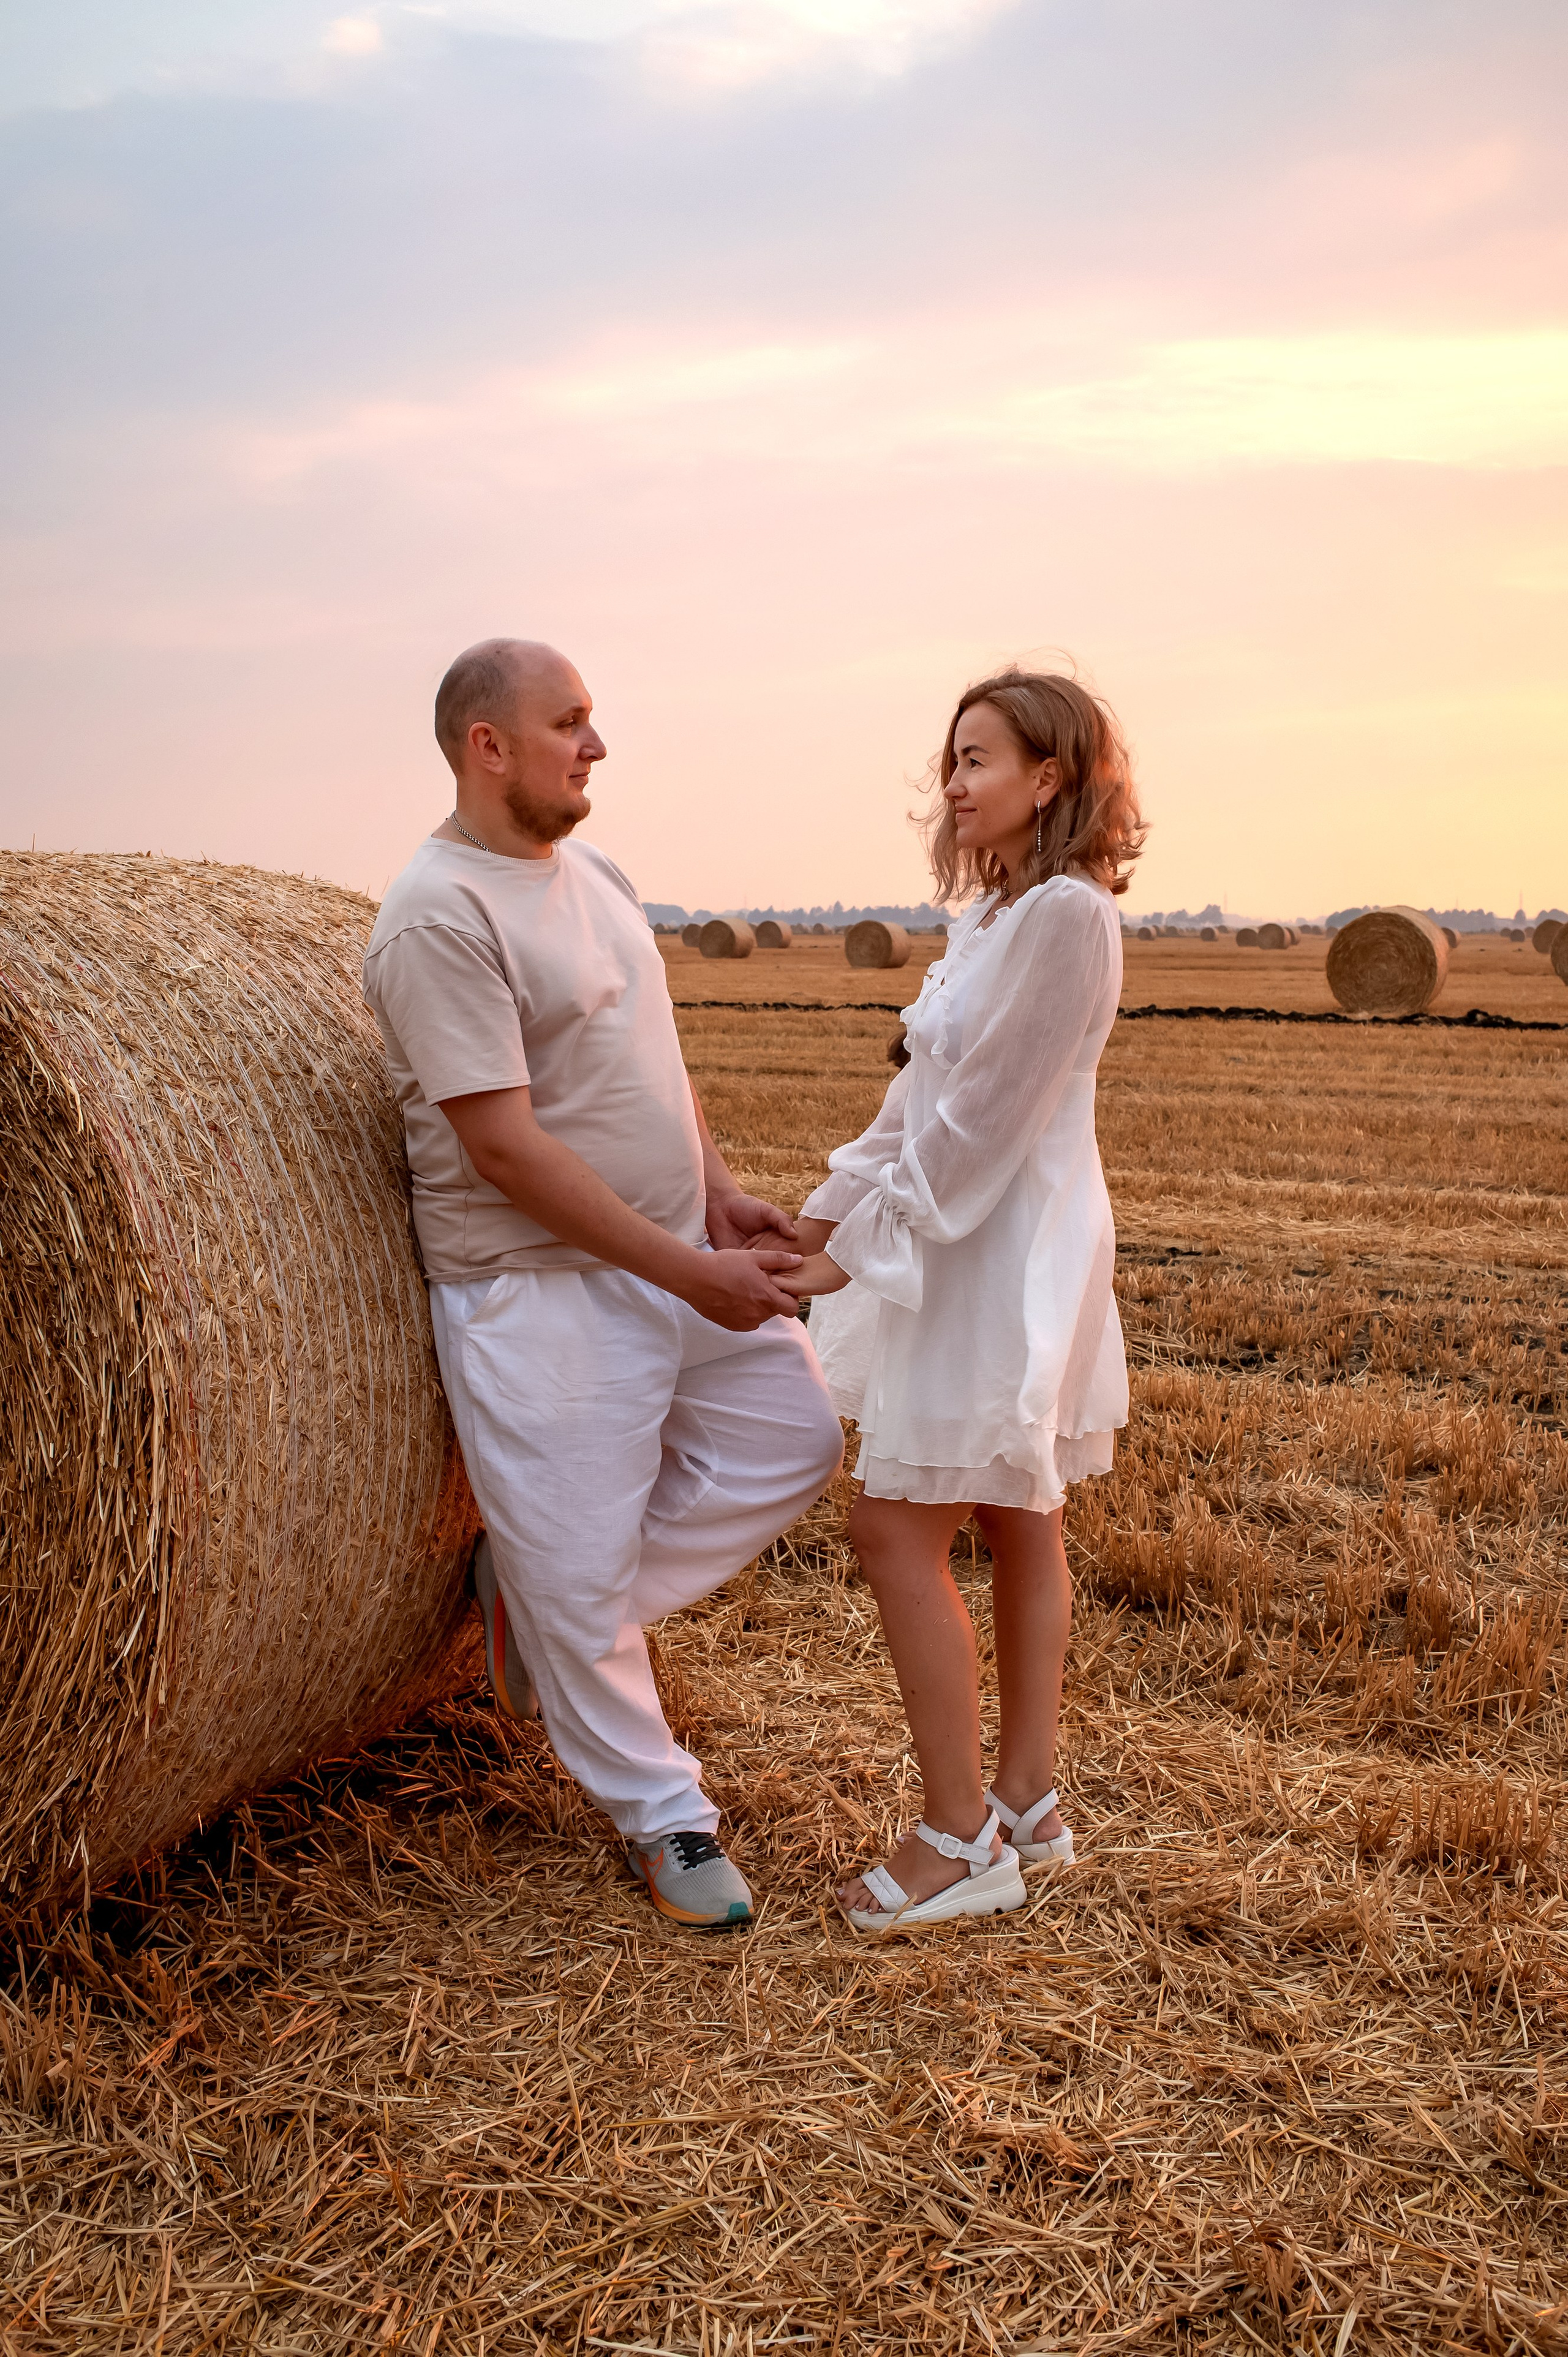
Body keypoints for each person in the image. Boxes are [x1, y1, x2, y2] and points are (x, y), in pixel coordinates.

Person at [363, 639, 843, 1929]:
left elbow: (651, 1059)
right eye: (568, 722)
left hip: (669, 1248)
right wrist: (690, 1270)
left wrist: (718, 1191)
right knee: (577, 1572)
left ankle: (549, 1605)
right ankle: (666, 1818)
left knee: (791, 1439)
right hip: (539, 1290)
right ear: (487, 746)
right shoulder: (438, 916)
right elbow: (502, 1146)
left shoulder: (596, 876)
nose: (596, 744)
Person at [775, 669, 1144, 1931]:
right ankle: (1028, 1801)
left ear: (1050, 776)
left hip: (999, 1241)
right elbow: (914, 1107)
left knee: (897, 1527)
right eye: (949, 760)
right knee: (1008, 1508)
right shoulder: (988, 921)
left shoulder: (1064, 918)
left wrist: (853, 1252)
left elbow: (984, 1128)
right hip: (964, 1229)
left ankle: (957, 1834)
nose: (953, 782)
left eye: (976, 758)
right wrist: (813, 1221)